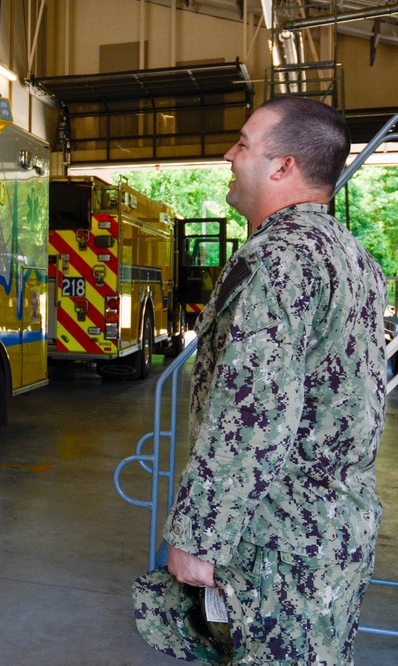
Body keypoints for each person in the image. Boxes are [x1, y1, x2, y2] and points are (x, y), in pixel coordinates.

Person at [144, 96, 386, 663]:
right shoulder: (353, 256)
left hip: (279, 543)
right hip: (331, 535)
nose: (230, 155)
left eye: (244, 144)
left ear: (283, 168)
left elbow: (254, 414)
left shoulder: (279, 259)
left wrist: (199, 535)